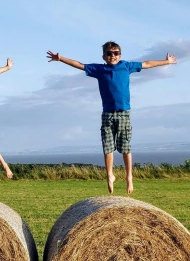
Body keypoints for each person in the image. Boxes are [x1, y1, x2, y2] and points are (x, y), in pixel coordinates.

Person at [46, 42, 177, 194]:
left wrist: (166, 61)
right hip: (107, 114)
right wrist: (60, 58)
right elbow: (79, 64)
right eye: (109, 53)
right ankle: (110, 175)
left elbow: (147, 63)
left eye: (116, 53)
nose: (113, 55)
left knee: (125, 148)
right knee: (107, 147)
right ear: (104, 56)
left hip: (124, 113)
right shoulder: (100, 69)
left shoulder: (126, 66)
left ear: (120, 55)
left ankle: (129, 177)